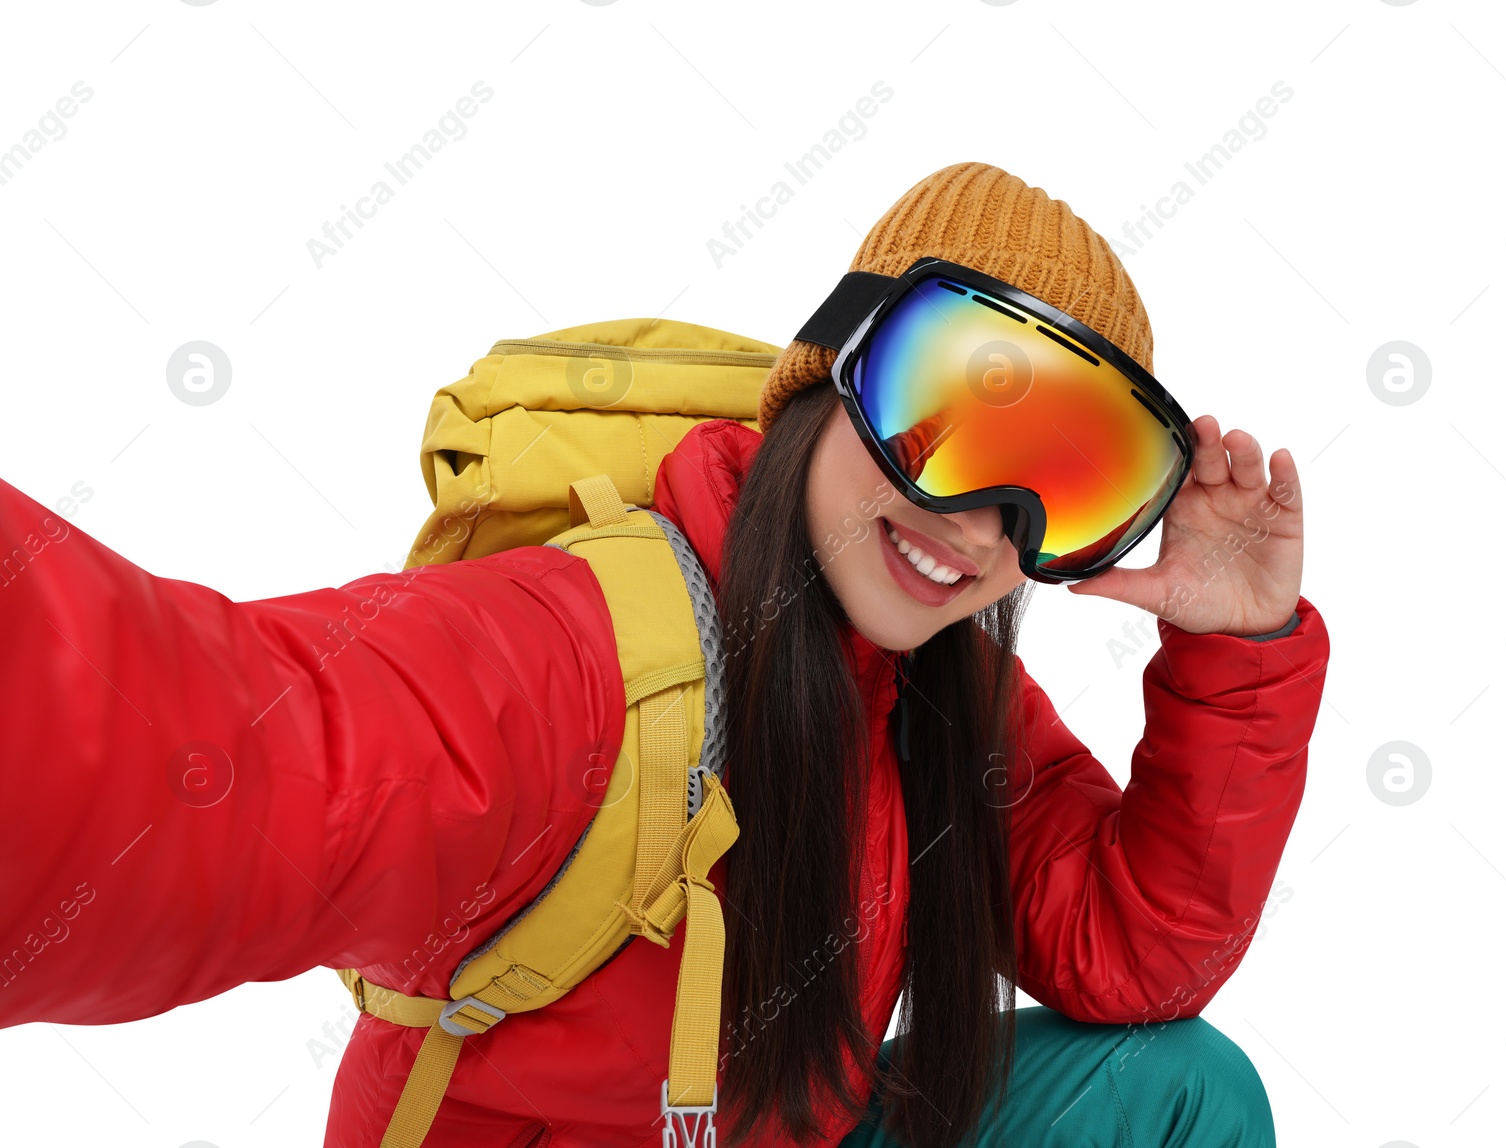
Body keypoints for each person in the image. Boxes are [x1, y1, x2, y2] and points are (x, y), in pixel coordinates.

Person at [0, 161, 1329, 1147]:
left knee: (1182, 1096)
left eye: (1062, 481)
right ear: (835, 371)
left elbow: (1128, 946)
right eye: (946, 420)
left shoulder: (934, 682)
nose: (977, 522)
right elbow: (232, 760)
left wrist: (1238, 649)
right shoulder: (582, 655)